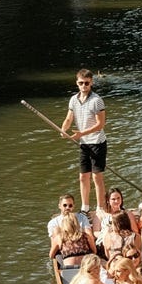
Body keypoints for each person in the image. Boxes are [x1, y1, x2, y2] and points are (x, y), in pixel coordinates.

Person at [60, 68, 108, 217]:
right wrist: (63, 129)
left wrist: (81, 134)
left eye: (87, 83)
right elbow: (69, 118)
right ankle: (85, 207)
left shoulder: (97, 100)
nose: (84, 86)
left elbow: (101, 124)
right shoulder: (73, 100)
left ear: (91, 82)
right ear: (77, 83)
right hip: (84, 143)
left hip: (97, 142)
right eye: (81, 83)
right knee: (83, 176)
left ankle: (100, 207)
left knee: (96, 177)